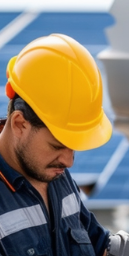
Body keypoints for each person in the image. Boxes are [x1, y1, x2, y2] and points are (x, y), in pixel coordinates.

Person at [0, 34, 112, 256]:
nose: (69, 161)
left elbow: (100, 246)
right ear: (20, 124)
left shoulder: (54, 172)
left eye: (73, 145)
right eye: (57, 146)